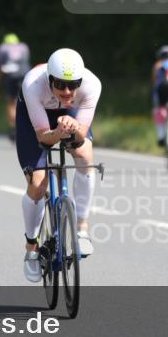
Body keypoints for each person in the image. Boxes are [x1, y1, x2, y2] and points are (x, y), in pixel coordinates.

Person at [16, 48, 100, 282]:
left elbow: (80, 136)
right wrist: (58, 132)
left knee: (85, 155)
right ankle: (31, 248)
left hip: (69, 114)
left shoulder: (92, 85)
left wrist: (72, 129)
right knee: (38, 183)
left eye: (72, 85)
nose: (67, 91)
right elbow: (43, 137)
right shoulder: (33, 84)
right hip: (36, 118)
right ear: (49, 79)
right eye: (61, 84)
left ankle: (82, 228)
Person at [0, 33, 31, 141]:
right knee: (26, 101)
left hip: (10, 76)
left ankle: (14, 128)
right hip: (24, 75)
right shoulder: (24, 47)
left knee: (11, 103)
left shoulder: (2, 48)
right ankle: (28, 124)